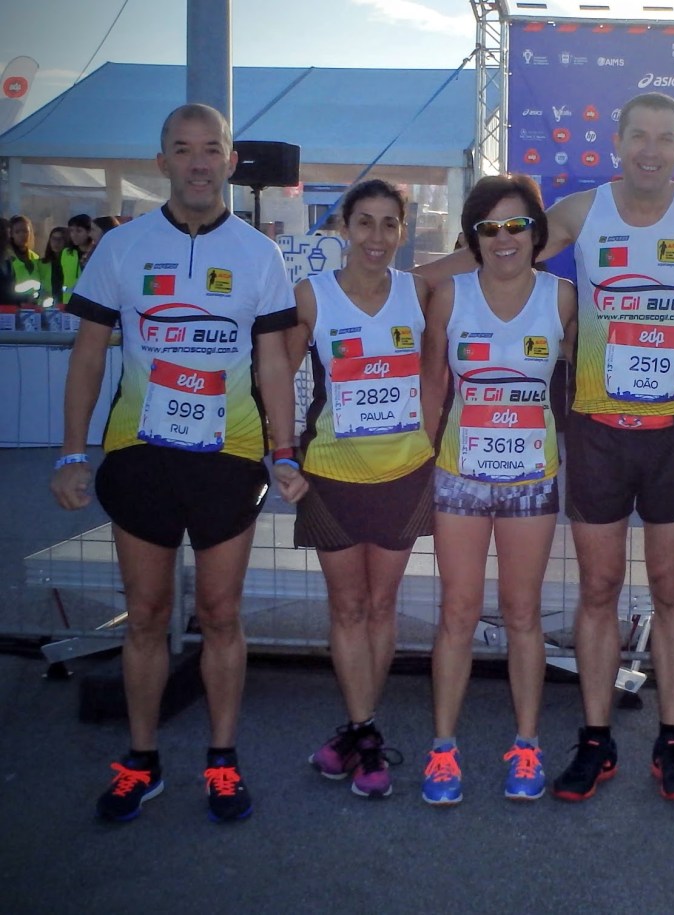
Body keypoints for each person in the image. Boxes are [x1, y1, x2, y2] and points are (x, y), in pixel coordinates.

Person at [418, 92, 674, 803]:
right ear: (617, 142)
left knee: (670, 590)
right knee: (598, 589)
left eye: (664, 138)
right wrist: (398, 283)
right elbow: (499, 248)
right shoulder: (581, 211)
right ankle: (595, 739)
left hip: (672, 434)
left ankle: (672, 739)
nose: (650, 150)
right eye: (639, 136)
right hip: (598, 433)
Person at [50, 103, 305, 823]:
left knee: (221, 615)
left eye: (211, 149)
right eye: (183, 149)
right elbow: (89, 355)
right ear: (161, 161)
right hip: (141, 456)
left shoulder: (259, 254)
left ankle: (222, 761)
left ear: (230, 161)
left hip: (229, 458)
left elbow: (274, 363)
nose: (198, 162)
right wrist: (71, 452)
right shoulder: (122, 246)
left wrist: (284, 452)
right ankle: (142, 761)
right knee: (146, 615)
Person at [418, 174, 577, 806]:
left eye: (517, 225)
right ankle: (443, 750)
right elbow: (433, 385)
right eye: (489, 228)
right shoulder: (449, 296)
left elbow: (586, 377)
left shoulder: (561, 298)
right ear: (473, 237)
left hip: (530, 480)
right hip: (460, 476)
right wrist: (419, 458)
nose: (504, 238)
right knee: (457, 612)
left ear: (536, 233)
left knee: (521, 613)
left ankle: (527, 744)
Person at [290, 180, 436, 800]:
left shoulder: (419, 290)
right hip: (331, 475)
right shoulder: (312, 295)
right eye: (365, 222)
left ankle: (360, 729)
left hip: (404, 474)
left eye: (389, 224)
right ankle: (366, 732)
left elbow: (487, 258)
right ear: (344, 228)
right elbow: (274, 373)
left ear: (403, 231)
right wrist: (281, 454)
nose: (377, 237)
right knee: (348, 607)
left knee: (382, 605)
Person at [7, 215, 42, 304]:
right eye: (17, 232)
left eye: (25, 231)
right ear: (11, 234)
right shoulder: (6, 258)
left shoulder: (35, 258)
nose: (22, 235)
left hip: (34, 305)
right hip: (13, 305)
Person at [39, 226, 70, 308]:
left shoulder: (71, 264)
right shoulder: (41, 263)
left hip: (66, 305)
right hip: (46, 306)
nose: (56, 243)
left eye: (60, 239)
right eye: (53, 239)